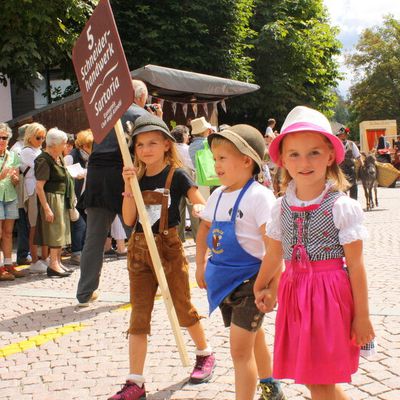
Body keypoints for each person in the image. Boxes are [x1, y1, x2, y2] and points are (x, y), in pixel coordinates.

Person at [254, 106, 375, 400]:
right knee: (311, 379)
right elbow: (274, 254)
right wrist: (264, 285)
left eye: (314, 153)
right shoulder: (280, 206)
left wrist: (363, 317)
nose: (304, 162)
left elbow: (356, 267)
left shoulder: (341, 206)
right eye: (294, 154)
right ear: (282, 159)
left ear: (331, 155)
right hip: (295, 295)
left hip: (328, 297)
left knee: (320, 380)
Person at [108, 114, 215, 400]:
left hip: (168, 250)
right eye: (140, 145)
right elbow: (130, 220)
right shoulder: (137, 177)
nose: (146, 150)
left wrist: (201, 211)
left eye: (153, 143)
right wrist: (129, 187)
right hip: (139, 251)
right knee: (139, 315)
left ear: (167, 145)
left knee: (182, 306)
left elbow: (199, 201)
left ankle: (204, 354)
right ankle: (135, 382)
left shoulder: (176, 175)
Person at [196, 124, 284, 400]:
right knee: (254, 337)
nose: (215, 164)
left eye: (222, 158)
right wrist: (200, 265)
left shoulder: (260, 197)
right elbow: (203, 231)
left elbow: (275, 249)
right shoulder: (218, 195)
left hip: (251, 285)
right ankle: (272, 389)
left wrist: (273, 287)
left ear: (247, 160)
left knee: (239, 351)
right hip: (225, 285)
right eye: (214, 158)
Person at [76, 79, 156, 306]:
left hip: (96, 175)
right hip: (123, 174)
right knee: (137, 233)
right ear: (141, 97)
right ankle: (147, 286)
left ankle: (85, 292)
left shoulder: (105, 113)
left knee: (94, 236)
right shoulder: (139, 114)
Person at [34, 128, 76, 278]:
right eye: (63, 143)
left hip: (60, 197)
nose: (66, 146)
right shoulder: (43, 159)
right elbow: (39, 187)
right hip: (51, 198)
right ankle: (53, 265)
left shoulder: (59, 157)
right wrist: (46, 208)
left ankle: (57, 262)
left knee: (61, 232)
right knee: (55, 233)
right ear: (54, 144)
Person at [21, 122, 48, 273]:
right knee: (34, 226)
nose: (41, 140)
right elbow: (40, 168)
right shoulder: (26, 151)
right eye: (38, 137)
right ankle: (35, 260)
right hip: (33, 191)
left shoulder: (39, 151)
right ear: (30, 137)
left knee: (44, 225)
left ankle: (44, 257)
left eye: (43, 138)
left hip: (42, 190)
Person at [0, 123, 25, 281]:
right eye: (0, 137)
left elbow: (15, 180)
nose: (2, 140)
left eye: (5, 137)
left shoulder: (13, 156)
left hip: (9, 196)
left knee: (8, 233)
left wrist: (16, 179)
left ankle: (9, 264)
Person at [66, 129, 94, 266]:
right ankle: (76, 253)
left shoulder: (90, 157)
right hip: (73, 196)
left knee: (86, 224)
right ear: (83, 145)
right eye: (90, 145)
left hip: (84, 196)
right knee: (79, 225)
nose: (92, 148)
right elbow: (64, 173)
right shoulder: (71, 156)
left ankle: (82, 251)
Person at [171, 125, 199, 242]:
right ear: (183, 136)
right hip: (189, 180)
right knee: (194, 210)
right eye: (187, 134)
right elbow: (194, 166)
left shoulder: (171, 149)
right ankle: (198, 237)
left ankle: (179, 238)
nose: (189, 136)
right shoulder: (188, 149)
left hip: (174, 181)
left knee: (178, 210)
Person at [10, 124, 31, 266]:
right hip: (19, 192)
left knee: (26, 224)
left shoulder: (18, 148)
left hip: (21, 191)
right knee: (24, 224)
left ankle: (25, 253)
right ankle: (23, 254)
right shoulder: (18, 150)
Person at [336, 127, 361, 200]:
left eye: (344, 134)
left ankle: (354, 203)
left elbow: (357, 156)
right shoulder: (335, 145)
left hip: (350, 168)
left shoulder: (351, 144)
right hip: (340, 169)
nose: (342, 136)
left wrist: (362, 165)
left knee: (354, 186)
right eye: (340, 135)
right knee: (341, 188)